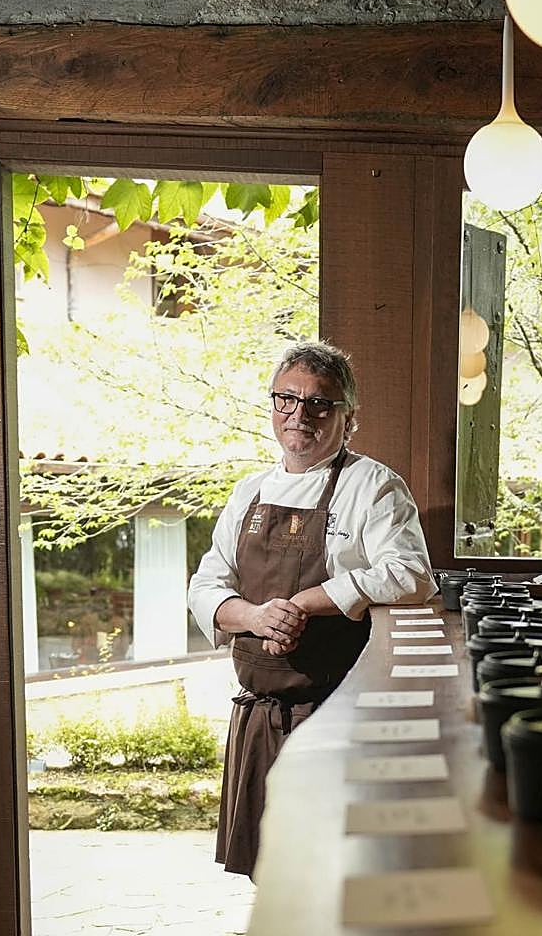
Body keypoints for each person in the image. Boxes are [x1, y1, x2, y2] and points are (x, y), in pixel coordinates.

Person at [187, 340, 436, 878]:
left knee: (334, 877)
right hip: (259, 714)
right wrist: (255, 617)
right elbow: (206, 584)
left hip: (337, 715)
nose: (300, 415)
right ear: (273, 406)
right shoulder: (249, 493)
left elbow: (412, 575)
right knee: (274, 878)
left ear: (348, 420)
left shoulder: (373, 486)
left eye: (320, 403)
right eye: (287, 400)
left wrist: (307, 602)